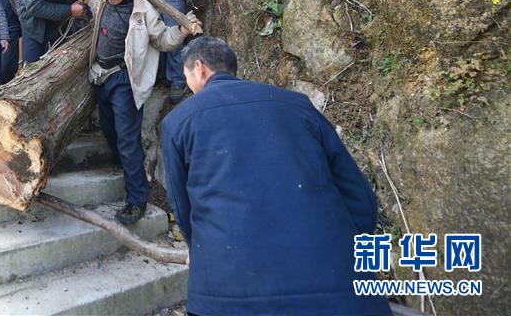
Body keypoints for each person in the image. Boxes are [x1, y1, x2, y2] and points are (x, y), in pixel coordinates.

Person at [162, 37, 390, 316]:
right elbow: (359, 197)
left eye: (186, 76)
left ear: (199, 68)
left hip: (228, 295)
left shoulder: (178, 122)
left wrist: (202, 249)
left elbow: (183, 208)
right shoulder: (297, 104)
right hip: (338, 292)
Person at [80, 0, 200, 225]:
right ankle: (124, 165)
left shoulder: (144, 11)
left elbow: (162, 40)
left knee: (127, 138)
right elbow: (94, 3)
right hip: (100, 75)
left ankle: (137, 200)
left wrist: (181, 30)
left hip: (125, 78)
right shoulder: (104, 3)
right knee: (109, 131)